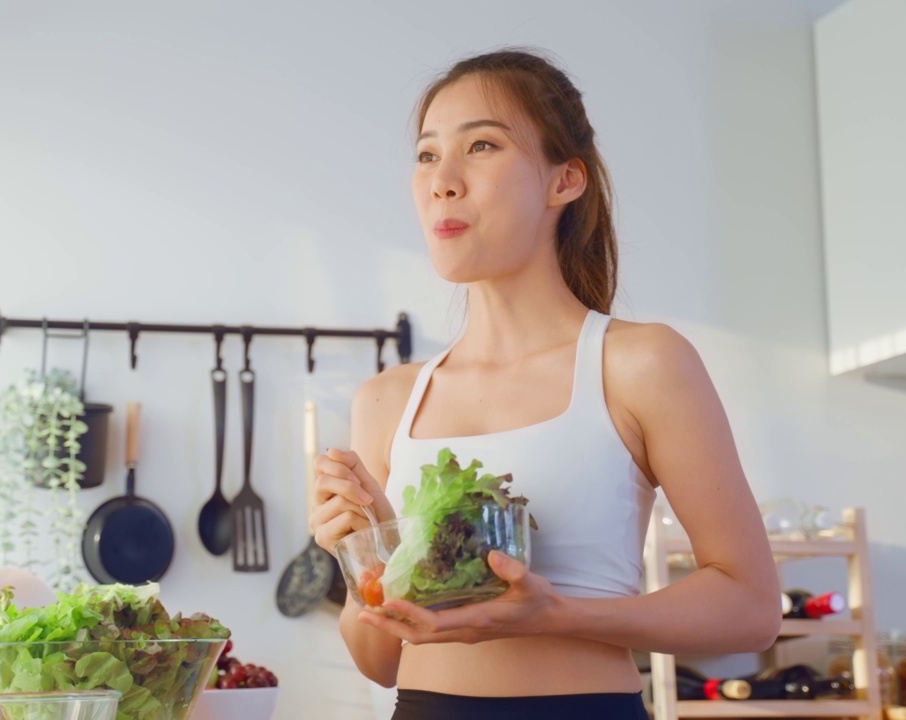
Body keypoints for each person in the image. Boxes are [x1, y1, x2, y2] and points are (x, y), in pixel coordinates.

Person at [309, 49, 782, 719]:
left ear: (564, 180)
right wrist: (366, 563)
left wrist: (554, 614)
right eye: (425, 156)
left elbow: (751, 609)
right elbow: (379, 658)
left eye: (481, 146)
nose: (442, 181)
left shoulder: (639, 363)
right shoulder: (387, 400)